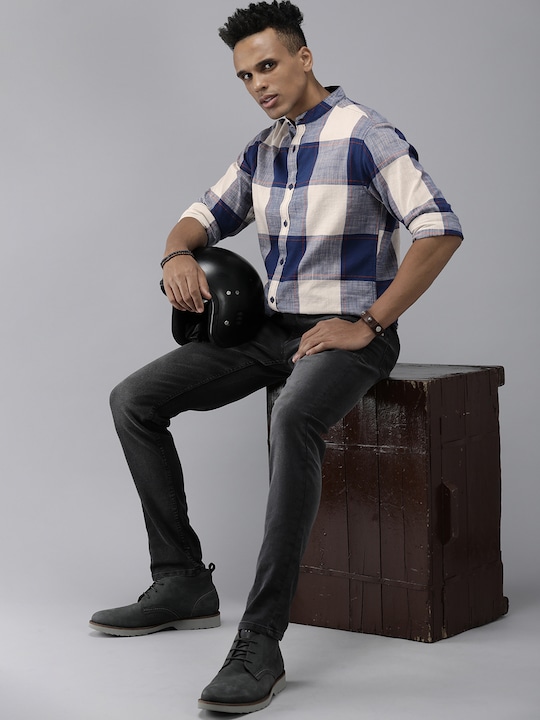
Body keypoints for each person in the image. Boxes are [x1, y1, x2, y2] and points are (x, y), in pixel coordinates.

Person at [89, 1, 463, 713]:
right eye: (245, 75)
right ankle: (181, 581)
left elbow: (438, 230)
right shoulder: (263, 149)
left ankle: (260, 640)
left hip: (349, 333)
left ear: (304, 58)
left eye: (267, 66)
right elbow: (200, 217)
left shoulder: (365, 134)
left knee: (292, 417)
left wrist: (370, 322)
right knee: (133, 400)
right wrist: (176, 253)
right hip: (270, 331)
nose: (258, 83)